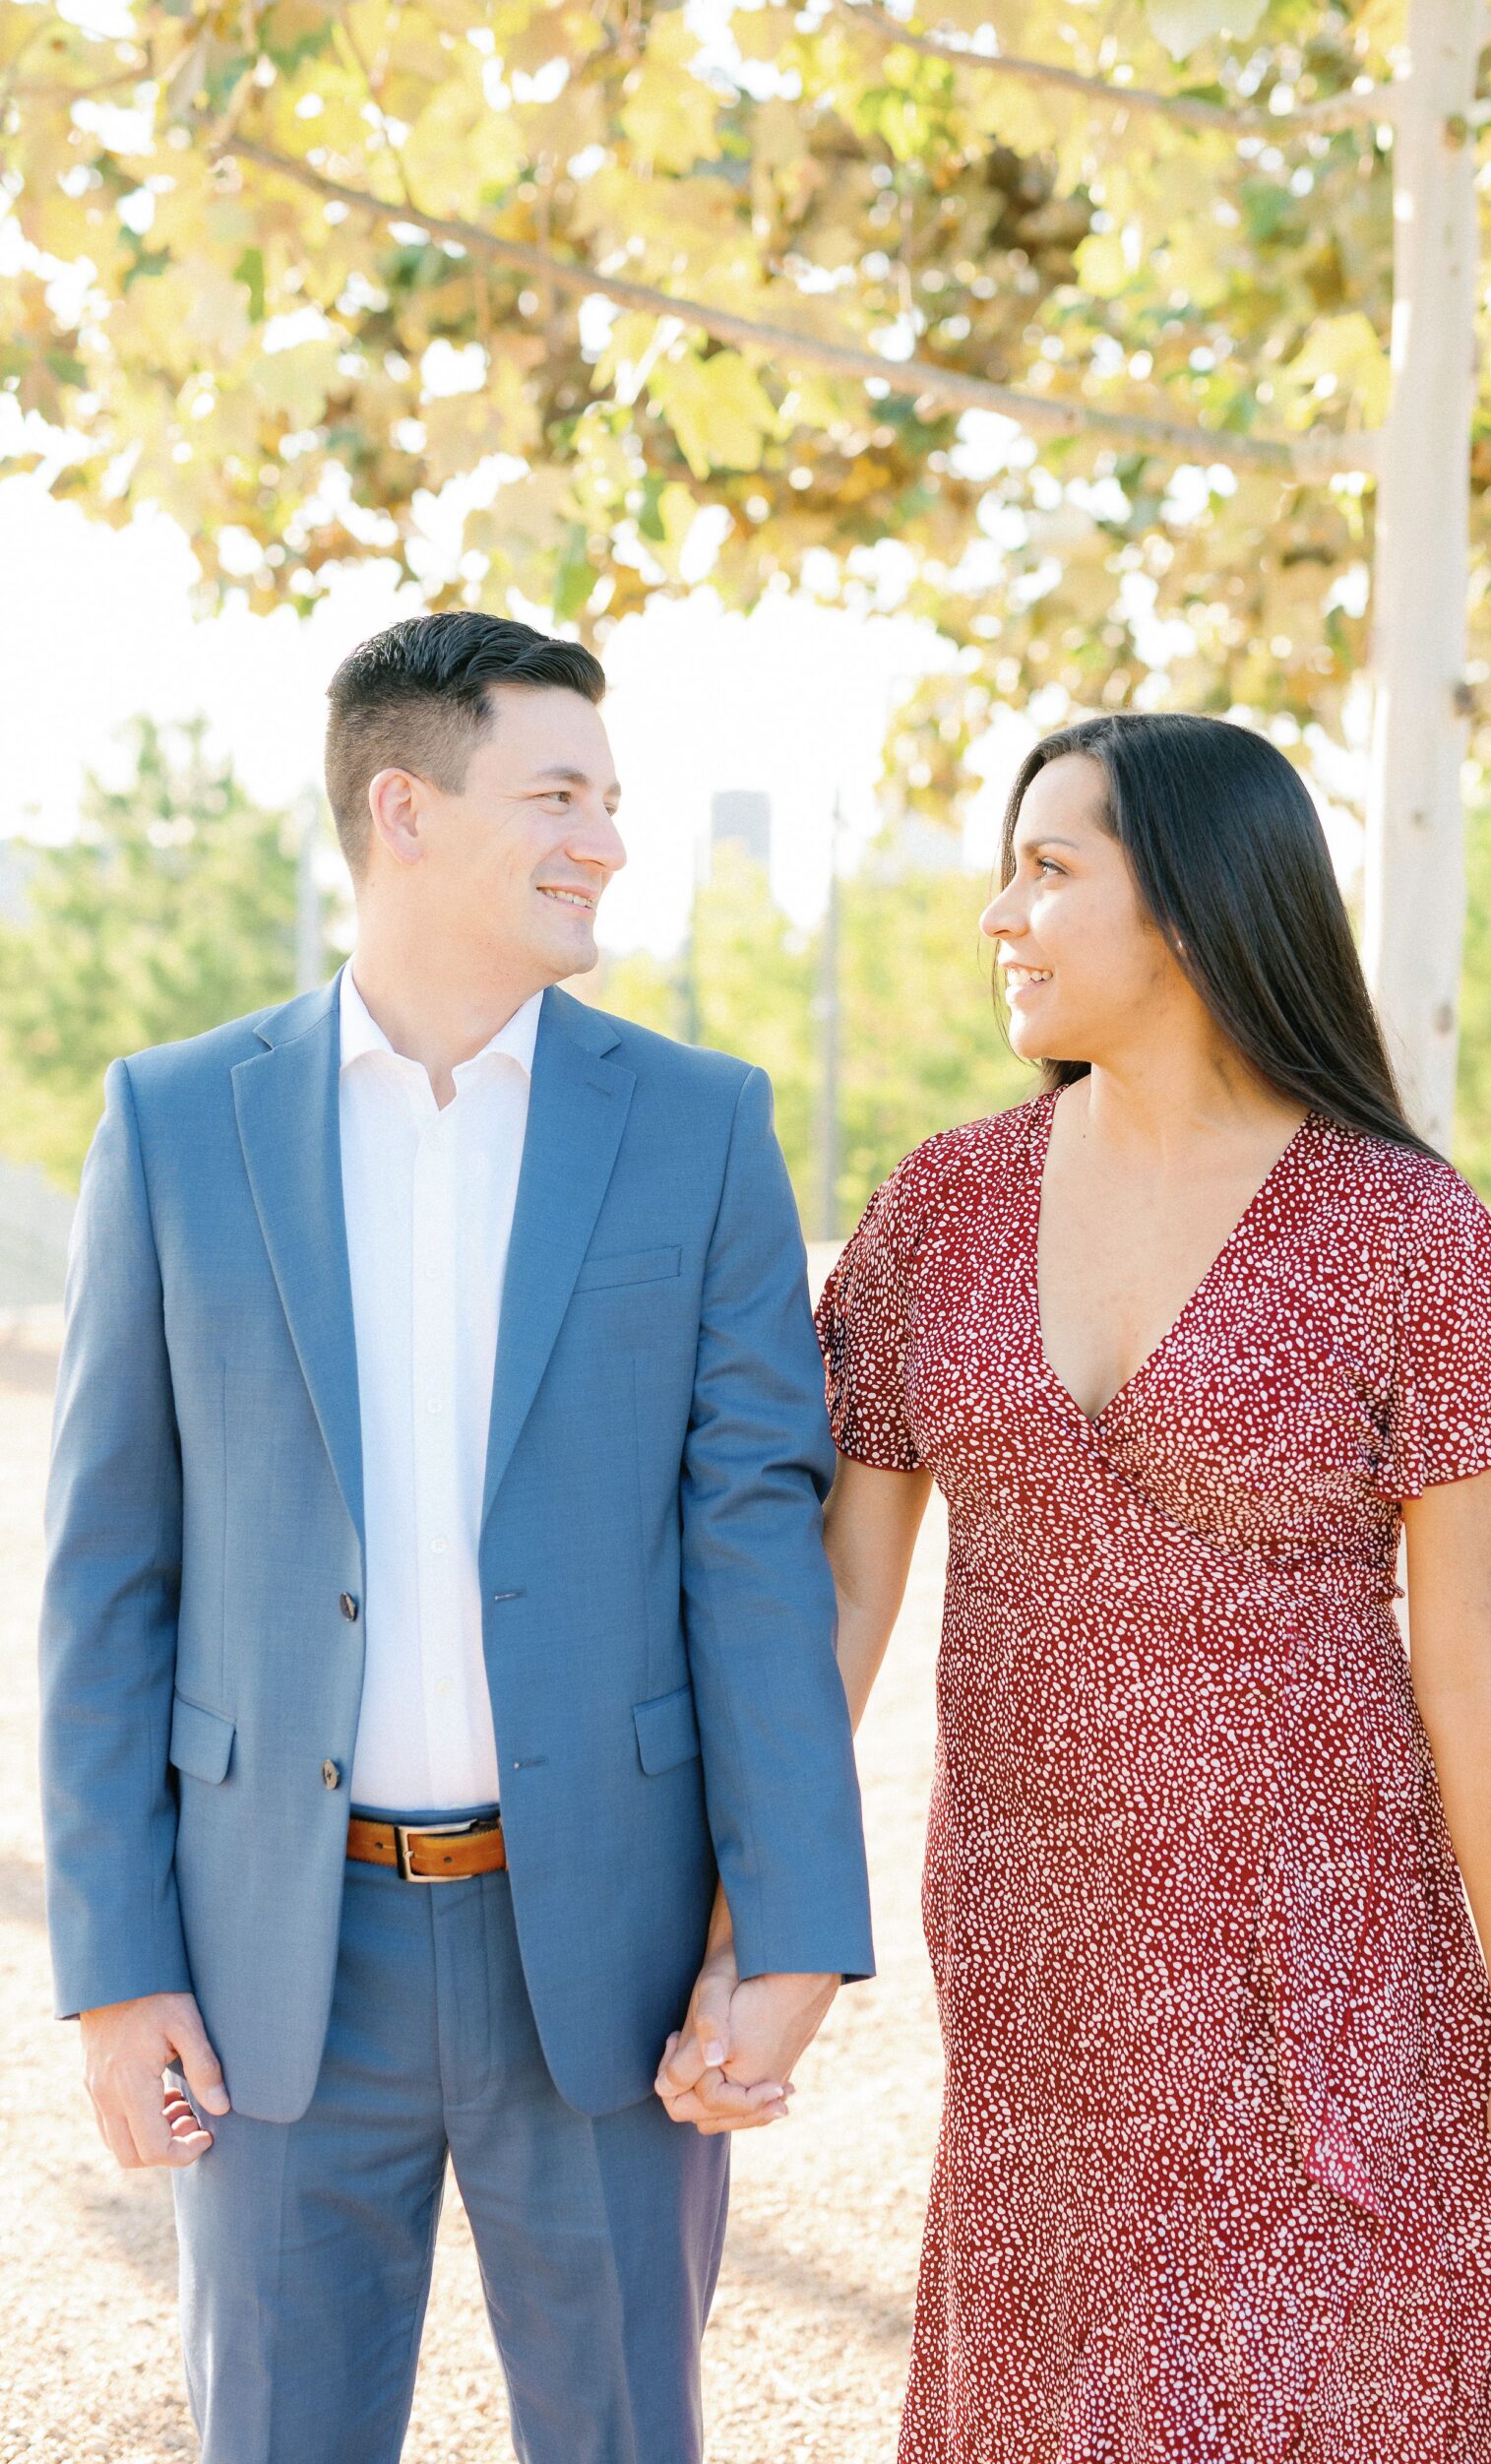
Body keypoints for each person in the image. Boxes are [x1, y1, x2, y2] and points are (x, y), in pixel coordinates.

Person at [661, 711, 1491, 2460]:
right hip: (1040, 1960)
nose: (999, 916)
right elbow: (835, 1617)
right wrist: (750, 1910)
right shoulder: (944, 1206)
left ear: (1185, 902)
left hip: (1333, 1972)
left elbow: (1481, 1668)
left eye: (1049, 868)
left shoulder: (1404, 1233)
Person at [38, 609, 872, 2463]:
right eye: (558, 793)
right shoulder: (176, 1123)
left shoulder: (700, 1124)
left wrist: (795, 1926)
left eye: (615, 796)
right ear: (401, 809)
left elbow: (755, 1548)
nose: (607, 839)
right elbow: (107, 1576)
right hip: (269, 1960)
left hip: (604, 1950)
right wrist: (114, 1964)